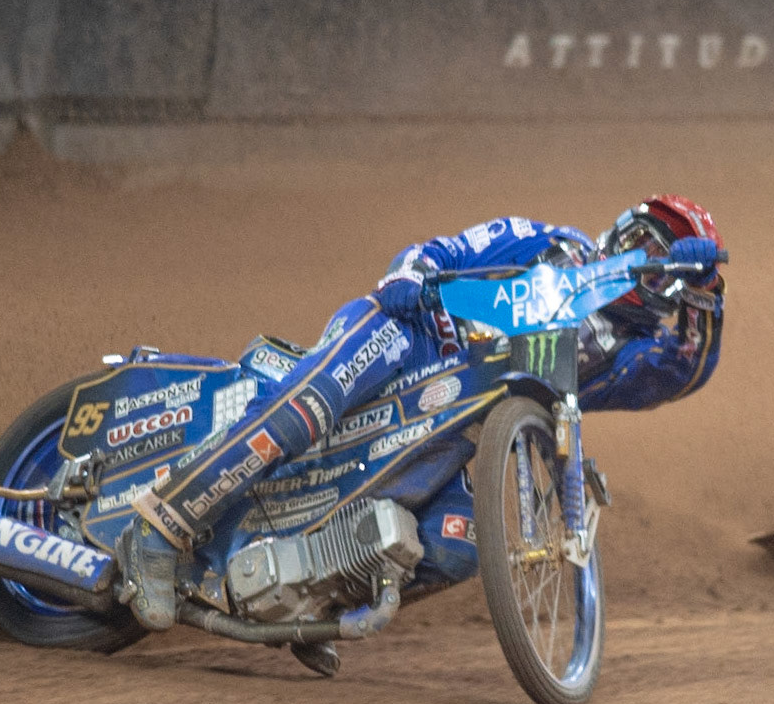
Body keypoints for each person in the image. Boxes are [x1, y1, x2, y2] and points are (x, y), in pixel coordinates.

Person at [117, 196, 727, 632]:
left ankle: (313, 606)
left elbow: (688, 370)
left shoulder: (628, 355)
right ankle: (159, 527)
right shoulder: (550, 243)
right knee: (310, 405)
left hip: (461, 428)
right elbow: (445, 249)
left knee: (458, 546)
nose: (646, 257)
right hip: (408, 341)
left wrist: (710, 298)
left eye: (664, 260)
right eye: (644, 240)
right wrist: (410, 275)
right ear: (620, 230)